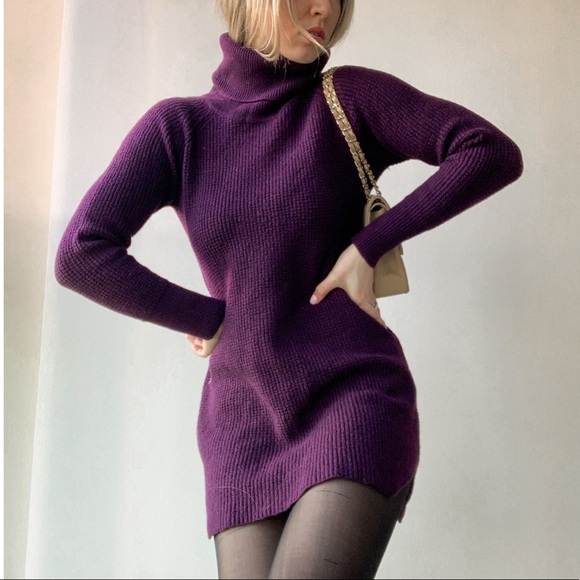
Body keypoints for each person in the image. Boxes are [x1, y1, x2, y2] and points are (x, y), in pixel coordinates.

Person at [54, 0, 523, 578]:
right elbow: (82, 252)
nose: (324, 7)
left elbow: (487, 150)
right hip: (241, 428)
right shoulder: (179, 130)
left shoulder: (349, 99)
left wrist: (368, 247)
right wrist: (205, 317)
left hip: (353, 404)